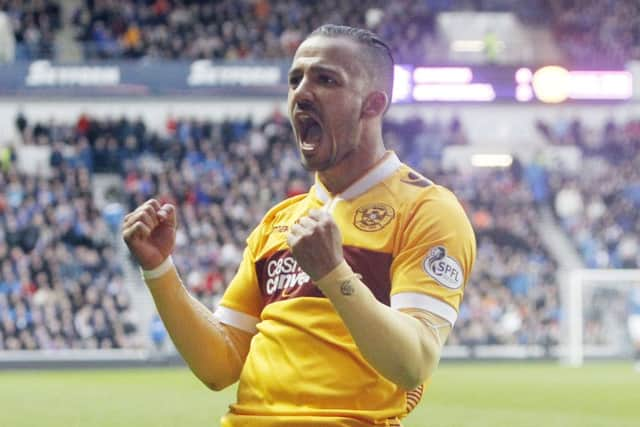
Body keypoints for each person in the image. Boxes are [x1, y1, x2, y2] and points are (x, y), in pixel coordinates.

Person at [123, 24, 476, 426]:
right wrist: (159, 269)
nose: (302, 93)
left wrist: (333, 273)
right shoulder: (278, 221)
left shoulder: (427, 210)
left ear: (373, 104)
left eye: (326, 79)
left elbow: (413, 362)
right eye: (295, 80)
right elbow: (220, 366)